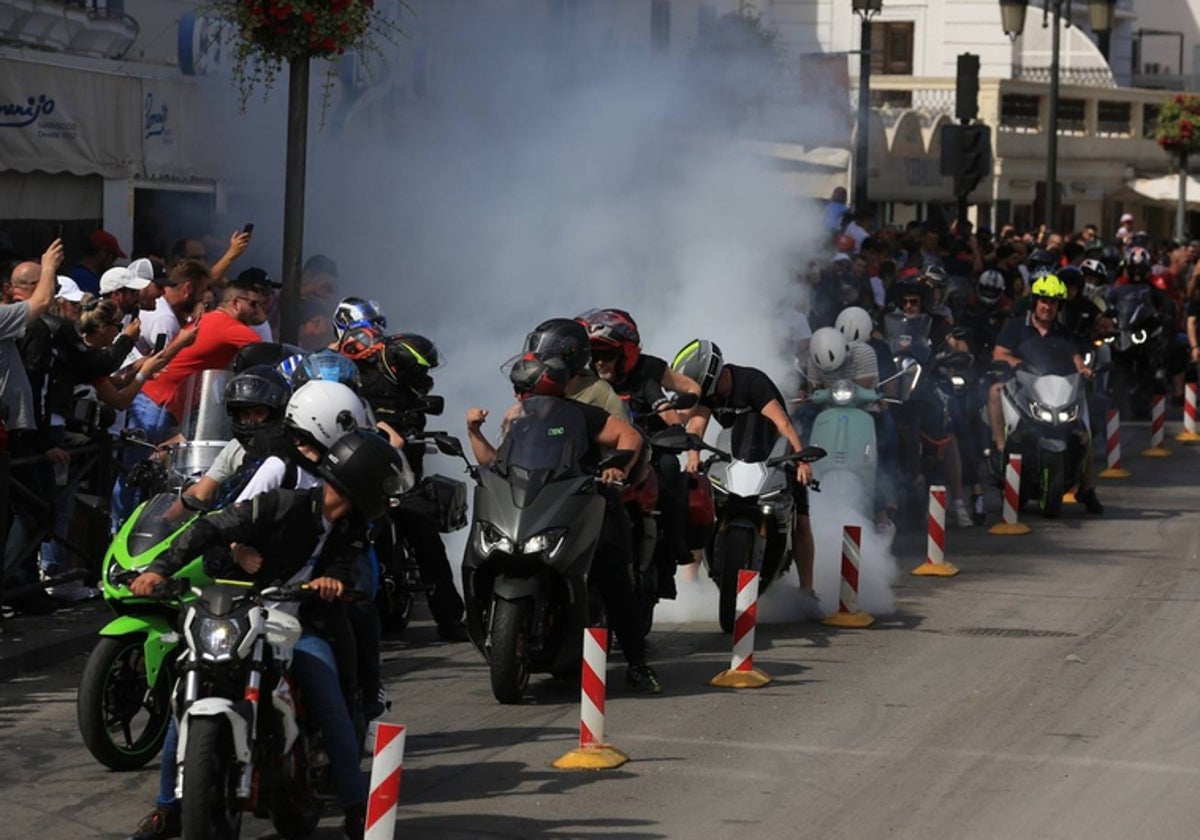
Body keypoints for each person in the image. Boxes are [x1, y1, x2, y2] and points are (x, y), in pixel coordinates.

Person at [124, 427, 408, 840]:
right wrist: (158, 569)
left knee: (329, 697)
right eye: (381, 486)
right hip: (238, 613)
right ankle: (167, 808)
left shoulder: (353, 532)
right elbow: (212, 528)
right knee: (188, 695)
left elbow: (356, 575)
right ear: (363, 482)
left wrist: (335, 583)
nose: (384, 496)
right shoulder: (281, 504)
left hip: (300, 626)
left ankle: (353, 807)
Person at [465, 354, 662, 694]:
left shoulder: (580, 415)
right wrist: (473, 431)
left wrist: (618, 468)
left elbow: (630, 437)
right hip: (536, 502)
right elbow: (495, 462)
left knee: (616, 580)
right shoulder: (518, 421)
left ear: (540, 389)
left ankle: (637, 665)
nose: (516, 397)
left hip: (590, 500)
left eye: (521, 390)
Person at [671, 339, 820, 615]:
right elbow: (697, 426)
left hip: (777, 452)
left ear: (711, 375)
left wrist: (801, 460)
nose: (696, 392)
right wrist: (693, 458)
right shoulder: (708, 395)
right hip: (736, 459)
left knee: (801, 521)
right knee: (701, 507)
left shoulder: (752, 383)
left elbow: (782, 422)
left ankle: (807, 590)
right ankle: (689, 578)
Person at [578, 308, 701, 597]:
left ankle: (672, 553)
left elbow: (686, 393)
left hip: (650, 447)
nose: (599, 361)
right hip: (602, 449)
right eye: (593, 354)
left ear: (627, 353)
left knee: (670, 470)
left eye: (606, 354)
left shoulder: (648, 374)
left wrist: (680, 425)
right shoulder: (586, 380)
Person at [988, 274, 1103, 514]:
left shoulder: (1063, 332)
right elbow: (999, 354)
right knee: (994, 392)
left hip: (1057, 390)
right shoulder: (1015, 325)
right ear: (1035, 302)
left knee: (1085, 431)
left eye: (1053, 302)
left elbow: (1076, 356)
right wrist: (1014, 363)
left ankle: (1087, 488)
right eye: (1043, 300)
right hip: (1021, 386)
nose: (1047, 306)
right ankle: (1000, 450)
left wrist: (1083, 369)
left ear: (1059, 306)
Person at [1, 241, 64, 615]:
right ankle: (12, 583)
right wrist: (48, 265)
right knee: (33, 511)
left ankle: (17, 586)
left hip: (14, 430)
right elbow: (38, 306)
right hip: (15, 434)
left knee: (27, 512)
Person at [67, 229, 125, 296]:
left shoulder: (73, 274)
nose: (112, 263)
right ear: (103, 253)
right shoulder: (90, 281)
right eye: (114, 257)